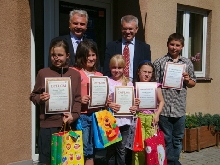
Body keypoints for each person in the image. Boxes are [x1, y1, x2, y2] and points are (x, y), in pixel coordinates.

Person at [30, 40, 81, 165]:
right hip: (47, 125)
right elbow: (33, 95)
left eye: (60, 55)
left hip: (68, 125)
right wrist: (40, 98)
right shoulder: (43, 73)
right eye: (53, 55)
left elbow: (78, 99)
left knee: (68, 161)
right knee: (47, 161)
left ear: (67, 55)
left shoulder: (74, 75)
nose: (56, 58)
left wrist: (73, 116)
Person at [153, 33, 196, 165]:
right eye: (172, 44)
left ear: (182, 46)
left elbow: (193, 82)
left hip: (179, 108)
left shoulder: (187, 63)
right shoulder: (159, 62)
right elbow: (155, 84)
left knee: (177, 138)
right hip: (164, 108)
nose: (174, 48)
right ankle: (170, 162)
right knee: (166, 138)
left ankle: (173, 161)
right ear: (167, 44)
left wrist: (188, 80)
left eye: (177, 45)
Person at [71, 40, 103, 165]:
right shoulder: (74, 72)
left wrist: (107, 100)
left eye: (93, 55)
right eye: (88, 55)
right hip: (81, 117)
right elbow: (66, 95)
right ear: (81, 56)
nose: (91, 58)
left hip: (95, 117)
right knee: (81, 152)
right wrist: (79, 99)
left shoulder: (99, 75)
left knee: (91, 152)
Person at [106, 54, 138, 165]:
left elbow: (133, 103)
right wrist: (109, 104)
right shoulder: (106, 81)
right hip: (110, 121)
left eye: (119, 67)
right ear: (110, 68)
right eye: (114, 67)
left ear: (124, 68)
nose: (116, 70)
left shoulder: (128, 83)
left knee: (121, 149)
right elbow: (102, 101)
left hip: (124, 121)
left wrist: (134, 107)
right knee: (110, 150)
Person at [132, 60, 165, 165]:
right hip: (139, 119)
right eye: (144, 71)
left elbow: (161, 101)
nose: (146, 74)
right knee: (138, 146)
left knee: (151, 146)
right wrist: (134, 103)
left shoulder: (156, 86)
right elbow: (131, 106)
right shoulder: (134, 87)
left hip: (151, 119)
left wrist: (157, 114)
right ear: (138, 72)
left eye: (149, 72)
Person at [103, 15, 151, 81]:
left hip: (136, 85)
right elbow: (106, 70)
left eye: (130, 29)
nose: (127, 32)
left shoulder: (145, 48)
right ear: (121, 28)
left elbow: (147, 70)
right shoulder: (111, 46)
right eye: (125, 29)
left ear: (136, 29)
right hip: (116, 85)